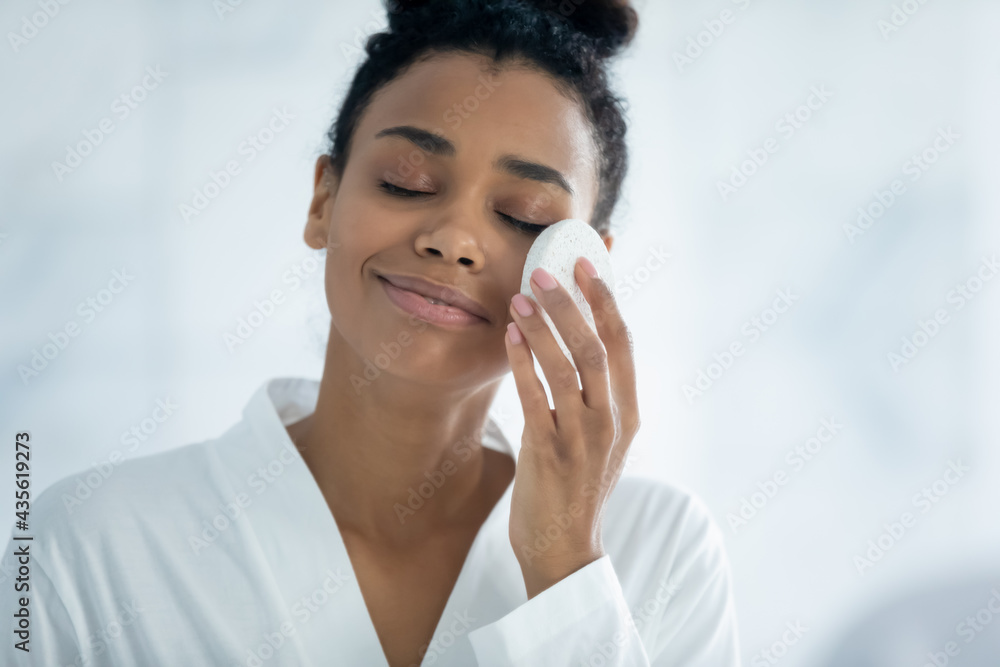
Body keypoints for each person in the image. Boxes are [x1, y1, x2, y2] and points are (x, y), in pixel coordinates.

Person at [1, 0, 741, 664]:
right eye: (406, 181)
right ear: (323, 200)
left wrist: (566, 569)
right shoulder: (86, 545)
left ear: (585, 269)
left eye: (524, 216)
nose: (453, 238)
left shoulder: (662, 551)